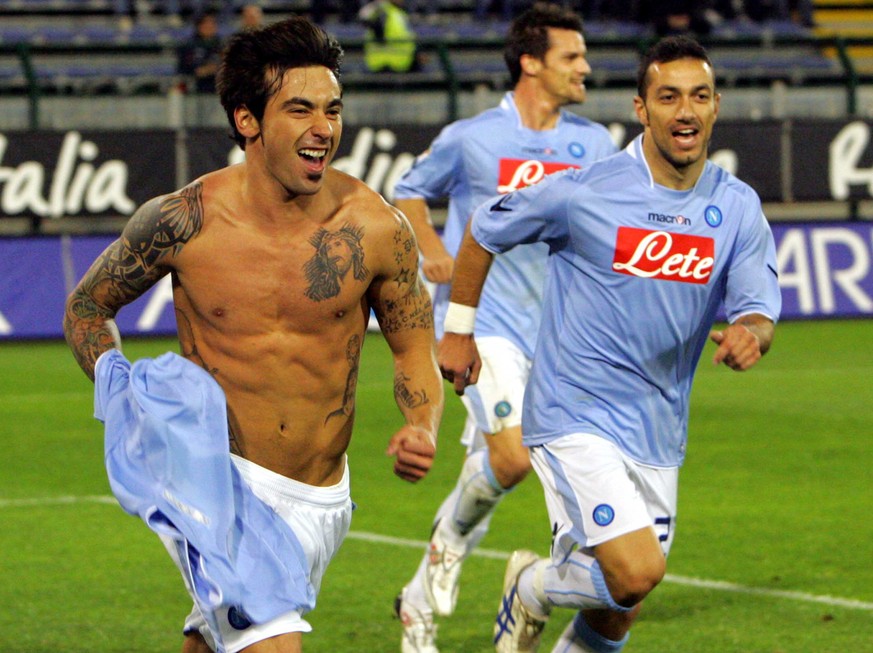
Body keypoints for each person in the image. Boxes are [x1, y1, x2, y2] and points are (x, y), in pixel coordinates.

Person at [64, 16, 443, 653]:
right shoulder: (183, 221)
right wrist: (117, 386)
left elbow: (412, 348)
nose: (324, 129)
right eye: (300, 109)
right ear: (248, 121)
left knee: (215, 642)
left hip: (324, 500)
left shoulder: (376, 228)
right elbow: (85, 309)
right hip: (218, 487)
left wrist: (423, 426)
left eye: (332, 109)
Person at [439, 35, 780, 653]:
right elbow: (484, 228)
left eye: (699, 97)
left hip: (658, 425)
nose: (686, 111)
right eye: (668, 97)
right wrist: (460, 332)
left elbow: (757, 303)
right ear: (640, 109)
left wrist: (752, 334)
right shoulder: (586, 189)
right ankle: (532, 587)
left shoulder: (735, 206)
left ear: (716, 105)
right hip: (575, 412)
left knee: (620, 606)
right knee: (636, 571)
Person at [391, 3, 617, 652]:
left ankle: (416, 598)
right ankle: (463, 552)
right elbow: (409, 189)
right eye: (571, 56)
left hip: (558, 333)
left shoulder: (593, 144)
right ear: (530, 62)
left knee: (496, 467)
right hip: (480, 322)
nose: (584, 67)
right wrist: (430, 244)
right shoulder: (473, 138)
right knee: (515, 455)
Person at [358, 0, 425, 72]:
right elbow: (364, 19)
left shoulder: (399, 13)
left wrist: (417, 52)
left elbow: (408, 36)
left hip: (403, 62)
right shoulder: (382, 11)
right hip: (384, 64)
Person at [177, 9, 225, 93]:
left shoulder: (221, 45)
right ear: (199, 26)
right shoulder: (189, 45)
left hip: (217, 88)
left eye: (213, 24)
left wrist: (214, 69)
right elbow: (183, 67)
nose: (211, 27)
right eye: (207, 24)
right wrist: (198, 71)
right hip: (195, 88)